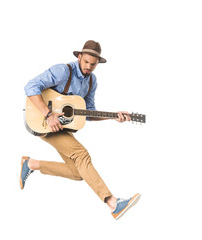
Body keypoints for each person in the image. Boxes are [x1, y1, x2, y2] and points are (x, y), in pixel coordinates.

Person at [21, 40, 140, 220]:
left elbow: (89, 113)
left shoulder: (92, 81)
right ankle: (113, 203)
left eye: (93, 64)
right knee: (81, 155)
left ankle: (30, 164)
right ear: (79, 57)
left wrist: (113, 115)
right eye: (86, 62)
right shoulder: (62, 71)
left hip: (62, 127)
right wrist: (48, 114)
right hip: (42, 123)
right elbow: (30, 87)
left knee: (78, 172)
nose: (89, 67)